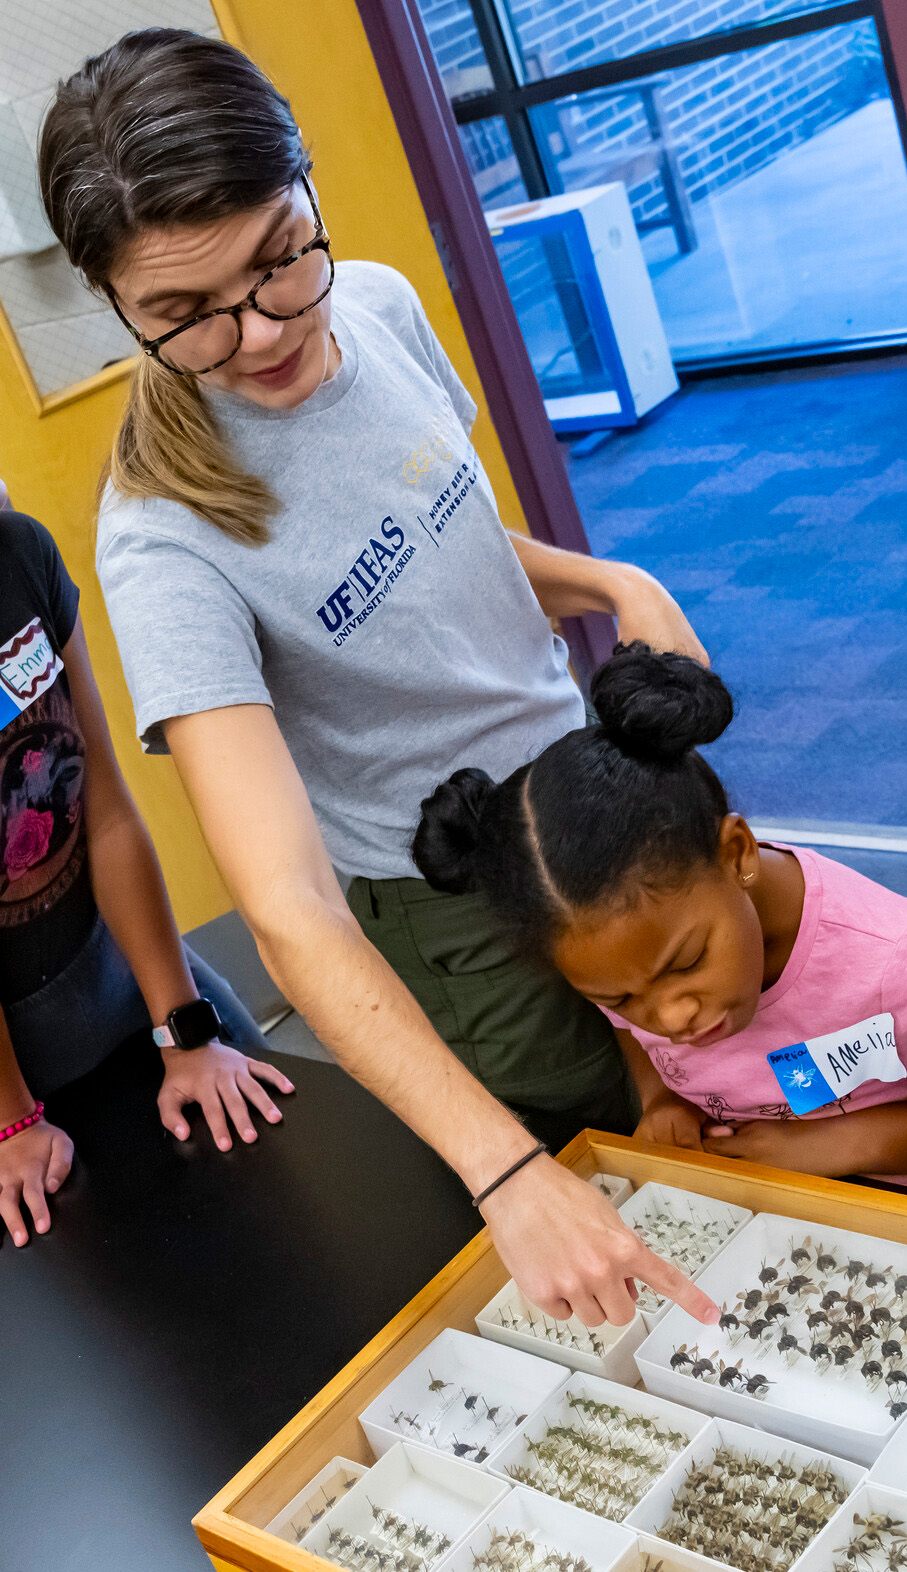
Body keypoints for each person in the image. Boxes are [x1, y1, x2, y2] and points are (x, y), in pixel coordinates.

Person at [39, 29, 714, 1326]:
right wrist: (503, 1169)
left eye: (281, 258)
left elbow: (450, 546)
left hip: (585, 791)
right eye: (185, 315)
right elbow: (286, 905)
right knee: (610, 1177)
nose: (259, 334)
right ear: (115, 303)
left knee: (717, 1068)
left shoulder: (383, 305)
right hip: (454, 902)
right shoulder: (164, 540)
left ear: (305, 189)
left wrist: (611, 584)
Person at [412, 644, 907, 1212]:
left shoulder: (906, 964)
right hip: (787, 1221)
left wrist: (836, 1145)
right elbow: (632, 1030)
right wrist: (661, 1100)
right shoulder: (623, 956)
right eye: (621, 997)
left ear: (736, 852)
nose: (670, 1017)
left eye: (685, 963)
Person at [0, 489, 289, 1248]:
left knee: (276, 1170)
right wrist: (13, 1120)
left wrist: (183, 1030)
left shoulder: (22, 552)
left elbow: (108, 811)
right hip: (13, 1076)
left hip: (113, 968)